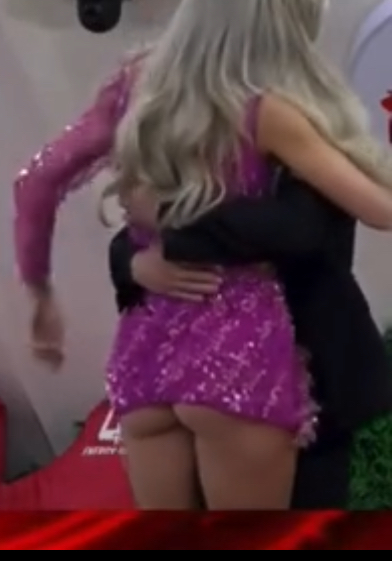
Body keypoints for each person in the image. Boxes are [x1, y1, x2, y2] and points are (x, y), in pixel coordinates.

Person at [12, 0, 392, 509]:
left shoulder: (132, 88)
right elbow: (378, 209)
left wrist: (39, 291)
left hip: (146, 353)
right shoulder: (271, 112)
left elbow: (34, 182)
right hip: (241, 354)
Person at [106, 167, 392, 508]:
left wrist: (169, 216)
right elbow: (133, 231)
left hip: (299, 370)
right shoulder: (193, 144)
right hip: (173, 372)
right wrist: (133, 262)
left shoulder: (306, 155)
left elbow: (299, 230)